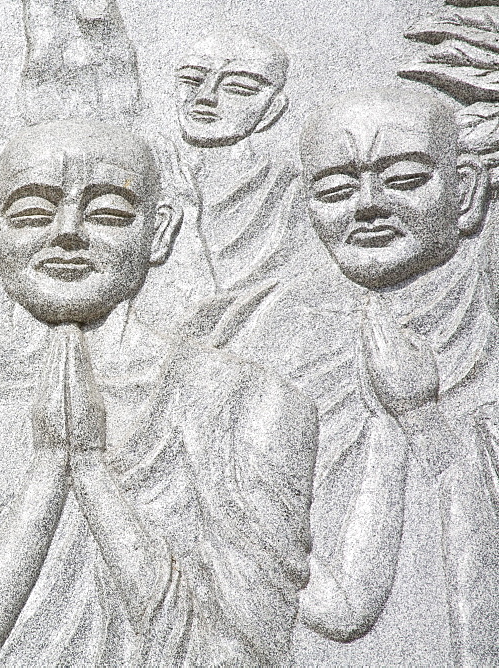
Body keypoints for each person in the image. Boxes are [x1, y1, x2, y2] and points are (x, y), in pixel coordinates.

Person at [0, 119, 318, 665]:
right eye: (34, 212)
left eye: (107, 212)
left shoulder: (248, 401)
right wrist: (45, 478)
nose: (68, 233)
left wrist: (91, 472)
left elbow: (246, 654)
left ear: (159, 233)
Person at [225, 88, 499, 664]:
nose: (367, 206)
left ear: (468, 192)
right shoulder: (272, 332)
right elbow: (331, 597)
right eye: (336, 190)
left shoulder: (484, 313)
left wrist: (424, 420)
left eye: (402, 180)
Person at [141, 29, 324, 340]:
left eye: (237, 87)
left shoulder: (292, 190)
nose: (205, 97)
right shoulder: (146, 167)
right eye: (191, 80)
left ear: (273, 109)